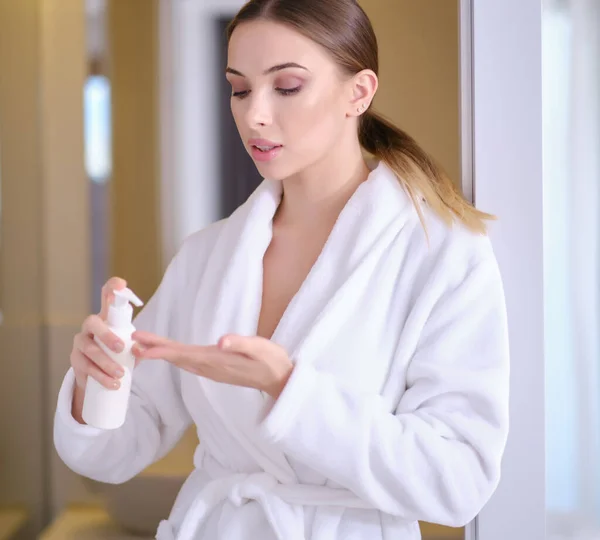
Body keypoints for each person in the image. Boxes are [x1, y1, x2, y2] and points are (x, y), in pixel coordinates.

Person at [53, 1, 510, 539]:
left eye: (286, 86)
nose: (254, 115)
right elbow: (116, 450)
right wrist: (95, 385)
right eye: (240, 89)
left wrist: (289, 389)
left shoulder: (442, 252)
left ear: (358, 92)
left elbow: (458, 482)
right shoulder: (208, 256)